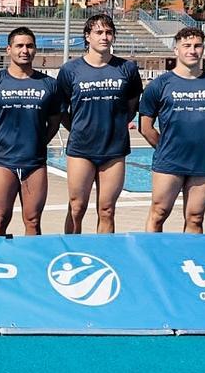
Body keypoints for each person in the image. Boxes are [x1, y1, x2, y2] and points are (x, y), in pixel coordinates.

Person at [138, 27, 205, 234]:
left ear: (203, 49)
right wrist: (167, 147)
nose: (192, 50)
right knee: (159, 212)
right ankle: (153, 260)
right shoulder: (159, 85)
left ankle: (191, 261)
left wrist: (202, 143)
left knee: (196, 218)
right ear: (176, 50)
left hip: (203, 161)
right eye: (187, 46)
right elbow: (145, 127)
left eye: (197, 46)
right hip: (169, 161)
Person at [56, 14, 143, 234]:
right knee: (77, 206)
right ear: (88, 36)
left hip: (114, 149)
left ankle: (103, 253)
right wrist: (78, 128)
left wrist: (118, 125)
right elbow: (62, 109)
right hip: (81, 149)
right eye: (98, 32)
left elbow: (132, 104)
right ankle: (72, 250)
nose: (104, 37)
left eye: (109, 32)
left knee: (106, 209)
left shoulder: (127, 69)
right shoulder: (70, 70)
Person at [0, 27, 62, 236]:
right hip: (4, 162)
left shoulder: (49, 85)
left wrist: (39, 143)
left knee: (33, 221)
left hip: (35, 163)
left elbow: (54, 122)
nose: (25, 50)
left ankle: (31, 265)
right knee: (0, 217)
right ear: (9, 49)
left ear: (35, 50)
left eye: (30, 46)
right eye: (19, 46)